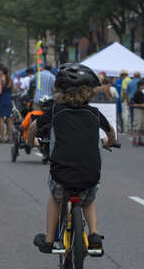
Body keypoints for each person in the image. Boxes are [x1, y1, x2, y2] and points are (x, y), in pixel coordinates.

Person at [30, 63, 117, 254]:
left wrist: (31, 142)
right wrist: (108, 142)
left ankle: (49, 239)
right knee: (88, 199)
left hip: (61, 173)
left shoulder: (56, 110)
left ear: (59, 90)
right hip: (89, 173)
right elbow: (111, 133)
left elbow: (33, 127)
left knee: (55, 197)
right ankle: (94, 234)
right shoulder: (94, 112)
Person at [0, 65, 14, 143]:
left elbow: (0, 91)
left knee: (1, 120)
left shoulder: (1, 80)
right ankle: (10, 137)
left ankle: (2, 138)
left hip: (1, 100)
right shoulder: (11, 80)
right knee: (9, 119)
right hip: (9, 100)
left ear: (2, 71)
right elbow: (13, 90)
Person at [130, 80, 144, 147]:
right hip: (138, 110)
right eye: (143, 85)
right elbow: (132, 104)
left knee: (142, 125)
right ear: (139, 86)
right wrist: (141, 105)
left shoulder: (143, 94)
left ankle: (140, 140)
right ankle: (135, 140)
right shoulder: (136, 94)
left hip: (142, 110)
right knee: (137, 125)